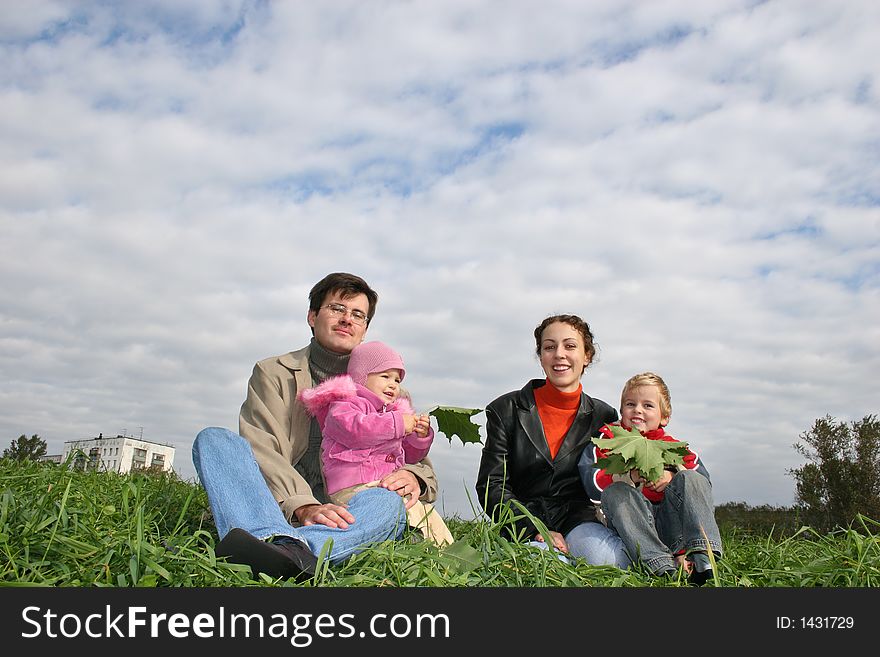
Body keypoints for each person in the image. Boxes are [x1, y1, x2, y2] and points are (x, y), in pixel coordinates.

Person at [192, 273, 438, 580]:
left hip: (351, 508)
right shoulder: (272, 372)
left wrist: (413, 477)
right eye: (337, 309)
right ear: (312, 316)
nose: (347, 320)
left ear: (364, 331)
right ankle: (271, 533)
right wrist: (303, 505)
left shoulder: (390, 390)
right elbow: (262, 447)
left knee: (387, 503)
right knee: (214, 440)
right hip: (282, 503)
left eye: (357, 315)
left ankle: (290, 549)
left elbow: (417, 459)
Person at [475, 314, 630, 567]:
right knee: (545, 567)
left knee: (613, 560)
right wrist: (534, 526)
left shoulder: (605, 417)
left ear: (587, 355)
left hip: (578, 520)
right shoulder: (505, 409)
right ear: (541, 356)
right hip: (523, 522)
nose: (559, 354)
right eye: (549, 347)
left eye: (570, 346)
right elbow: (491, 486)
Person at [298, 340, 454, 546]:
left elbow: (411, 456)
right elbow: (358, 430)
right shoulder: (344, 405)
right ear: (362, 376)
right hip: (353, 485)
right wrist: (398, 423)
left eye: (397, 380)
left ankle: (444, 557)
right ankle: (311, 545)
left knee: (426, 513)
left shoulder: (391, 413)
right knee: (406, 510)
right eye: (385, 376)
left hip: (382, 484)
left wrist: (419, 436)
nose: (393, 384)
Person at [579, 371, 722, 584]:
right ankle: (660, 566)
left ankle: (701, 555)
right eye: (630, 404)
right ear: (621, 410)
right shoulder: (608, 438)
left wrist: (672, 474)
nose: (637, 410)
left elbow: (703, 487)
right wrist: (630, 476)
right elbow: (593, 482)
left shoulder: (675, 447)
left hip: (671, 524)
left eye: (648, 405)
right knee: (617, 493)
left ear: (664, 416)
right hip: (634, 525)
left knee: (691, 479)